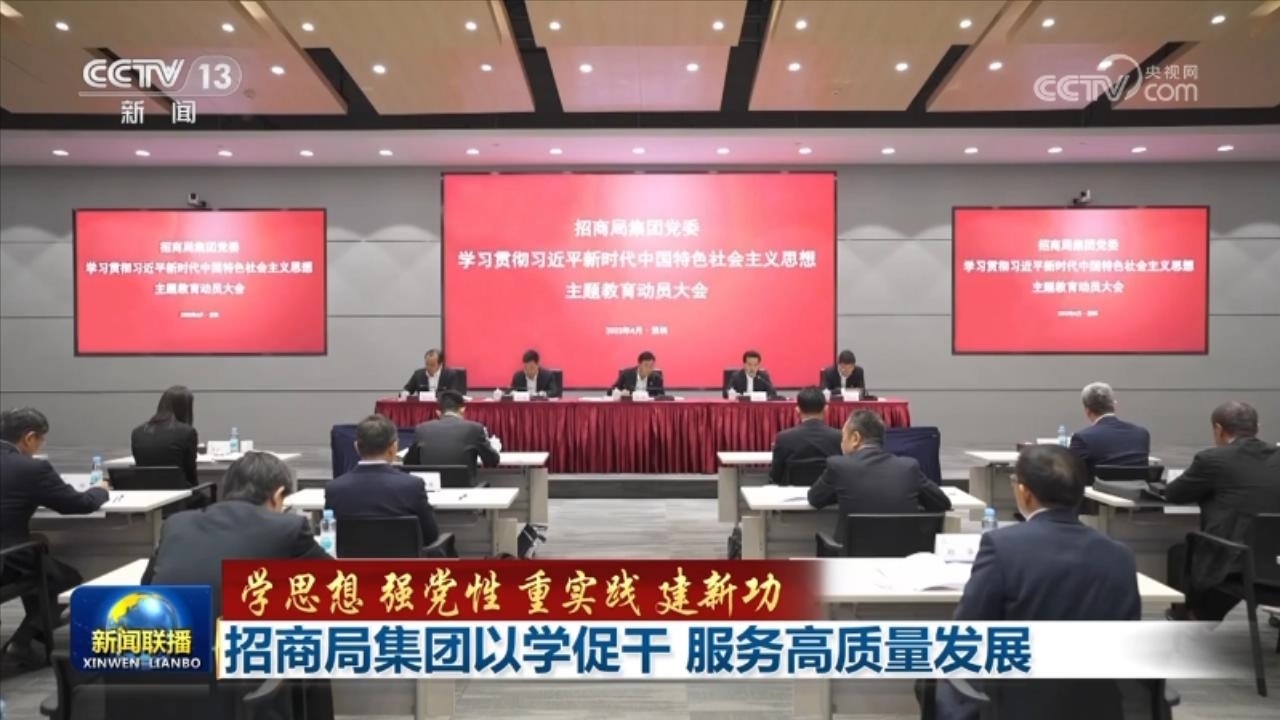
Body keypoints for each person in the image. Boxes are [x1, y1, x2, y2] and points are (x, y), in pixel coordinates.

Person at [934, 444, 1141, 719]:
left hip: (1016, 706)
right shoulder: (1120, 556)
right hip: (1098, 706)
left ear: (1024, 492)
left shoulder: (1002, 546)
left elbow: (968, 629)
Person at [143, 452, 327, 606]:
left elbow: (146, 584)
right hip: (234, 635)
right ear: (277, 495)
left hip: (166, 634)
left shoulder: (176, 523)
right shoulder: (288, 527)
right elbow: (337, 585)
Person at [0, 408, 110, 666]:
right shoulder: (31, 469)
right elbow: (79, 504)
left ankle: (32, 641)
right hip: (7, 560)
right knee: (66, 579)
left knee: (40, 559)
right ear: (29, 437)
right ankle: (23, 641)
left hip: (9, 554)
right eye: (41, 440)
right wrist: (100, 490)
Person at [1165, 401, 1280, 621]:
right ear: (1257, 427)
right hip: (1275, 563)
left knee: (1181, 553)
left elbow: (1174, 494)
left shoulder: (1213, 459)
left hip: (1235, 567)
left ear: (1218, 429)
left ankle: (1193, 618)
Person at [807, 410, 950, 537]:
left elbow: (815, 498)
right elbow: (942, 502)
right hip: (902, 555)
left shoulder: (839, 466)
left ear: (855, 438)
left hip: (851, 556)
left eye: (843, 437)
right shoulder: (908, 467)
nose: (841, 443)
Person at [326, 414, 439, 551]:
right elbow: (431, 536)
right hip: (402, 563)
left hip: (353, 563)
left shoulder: (334, 489)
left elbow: (332, 535)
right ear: (394, 448)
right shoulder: (412, 486)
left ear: (356, 447)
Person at [1068, 382, 1151, 479]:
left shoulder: (1082, 438)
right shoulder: (1141, 434)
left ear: (1087, 411)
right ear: (1114, 406)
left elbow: (1070, 473)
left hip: (1099, 489)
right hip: (1138, 488)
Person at [412, 390, 500, 477]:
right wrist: (493, 447)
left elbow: (410, 462)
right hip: (464, 485)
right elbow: (492, 462)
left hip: (431, 485)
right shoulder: (474, 428)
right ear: (462, 409)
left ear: (438, 412)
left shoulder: (421, 429)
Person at [769, 387, 842, 485]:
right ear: (826, 409)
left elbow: (776, 476)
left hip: (792, 492)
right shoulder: (839, 437)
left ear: (797, 410)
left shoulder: (783, 438)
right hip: (828, 493)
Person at [131, 385, 199, 486]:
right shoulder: (187, 432)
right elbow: (191, 474)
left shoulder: (137, 432)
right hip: (179, 493)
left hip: (145, 492)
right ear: (186, 409)